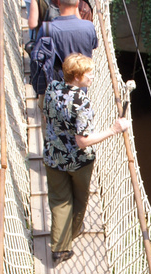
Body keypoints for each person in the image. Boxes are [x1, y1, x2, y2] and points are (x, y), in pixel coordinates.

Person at [40, 54, 126, 262]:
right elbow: (83, 141)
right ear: (77, 76)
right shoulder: (81, 101)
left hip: (53, 156)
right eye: (90, 74)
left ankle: (60, 249)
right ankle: (73, 232)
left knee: (60, 201)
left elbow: (46, 116)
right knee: (79, 198)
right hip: (78, 161)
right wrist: (114, 129)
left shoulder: (52, 87)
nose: (93, 77)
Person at [41, 0, 98, 77]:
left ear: (58, 1)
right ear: (77, 4)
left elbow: (41, 54)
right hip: (81, 80)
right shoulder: (89, 27)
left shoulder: (47, 28)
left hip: (55, 82)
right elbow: (93, 45)